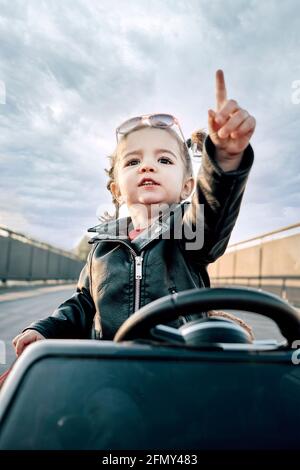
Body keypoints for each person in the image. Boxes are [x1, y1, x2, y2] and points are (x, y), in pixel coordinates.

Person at [13, 70, 256, 356]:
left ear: (187, 186)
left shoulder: (190, 231)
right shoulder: (102, 248)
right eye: (133, 161)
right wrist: (44, 329)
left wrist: (224, 162)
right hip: (113, 369)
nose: (147, 166)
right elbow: (82, 304)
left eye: (164, 159)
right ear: (116, 190)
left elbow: (213, 210)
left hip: (180, 366)